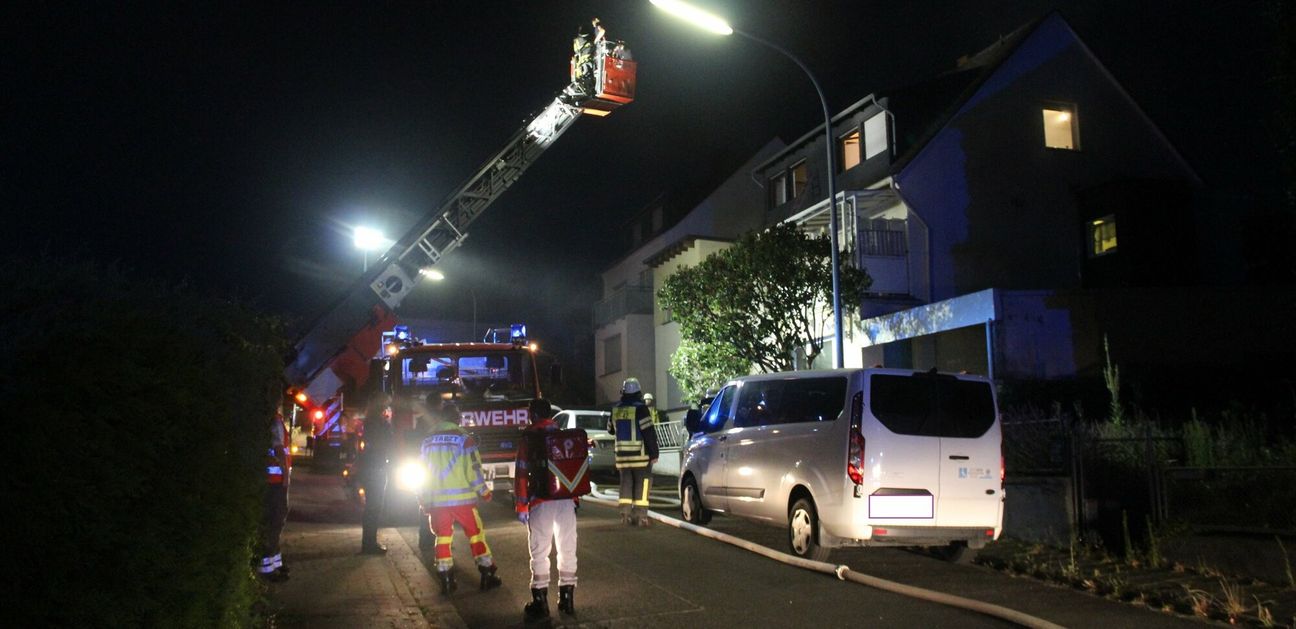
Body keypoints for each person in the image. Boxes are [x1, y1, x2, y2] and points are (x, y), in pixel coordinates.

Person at [419, 395, 502, 595]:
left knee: (442, 538)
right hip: (462, 502)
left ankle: (446, 580)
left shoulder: (427, 442)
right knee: (476, 535)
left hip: (437, 502)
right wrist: (484, 492)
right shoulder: (465, 440)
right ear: (457, 419)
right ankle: (487, 574)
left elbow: (422, 473)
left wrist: (423, 499)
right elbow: (473, 471)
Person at [515, 398, 580, 622]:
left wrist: (522, 505)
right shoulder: (562, 435)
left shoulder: (528, 437)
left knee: (540, 550)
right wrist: (574, 499)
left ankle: (540, 604)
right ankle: (567, 600)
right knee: (567, 548)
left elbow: (521, 473)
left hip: (541, 501)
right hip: (566, 500)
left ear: (532, 414)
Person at [608, 377, 658, 526]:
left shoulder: (616, 409)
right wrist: (654, 453)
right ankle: (641, 516)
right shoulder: (641, 409)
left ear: (623, 392)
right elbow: (648, 432)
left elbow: (610, 429)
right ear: (638, 392)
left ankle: (625, 514)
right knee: (643, 485)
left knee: (625, 484)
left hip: (622, 457)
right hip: (640, 456)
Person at [257, 408, 291, 581]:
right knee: (274, 522)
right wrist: (285, 475)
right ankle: (267, 569)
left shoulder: (272, 420)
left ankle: (275, 563)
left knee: (276, 523)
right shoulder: (276, 421)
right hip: (275, 481)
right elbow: (278, 449)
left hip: (274, 481)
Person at [357, 396, 394, 555]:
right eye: (386, 406)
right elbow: (388, 442)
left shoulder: (368, 423)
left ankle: (368, 542)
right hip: (377, 468)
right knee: (374, 506)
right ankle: (369, 544)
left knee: (371, 506)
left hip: (368, 468)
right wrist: (388, 423)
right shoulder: (380, 424)